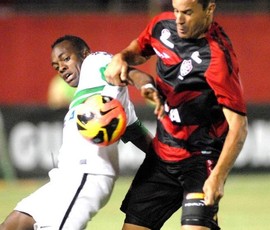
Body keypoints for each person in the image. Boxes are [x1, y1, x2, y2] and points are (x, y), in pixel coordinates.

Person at [104, 0, 248, 229]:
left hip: (200, 160)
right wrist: (121, 58)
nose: (179, 19)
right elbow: (137, 51)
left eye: (188, 12)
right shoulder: (162, 26)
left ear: (209, 9)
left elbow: (239, 127)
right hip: (162, 157)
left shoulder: (218, 58)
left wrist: (218, 177)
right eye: (176, 10)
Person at [0, 35, 158, 230]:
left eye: (66, 59)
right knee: (14, 224)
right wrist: (167, 157)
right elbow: (137, 134)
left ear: (84, 54)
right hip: (64, 178)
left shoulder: (94, 61)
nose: (62, 68)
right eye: (56, 66)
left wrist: (145, 83)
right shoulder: (100, 93)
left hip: (88, 173)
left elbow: (125, 71)